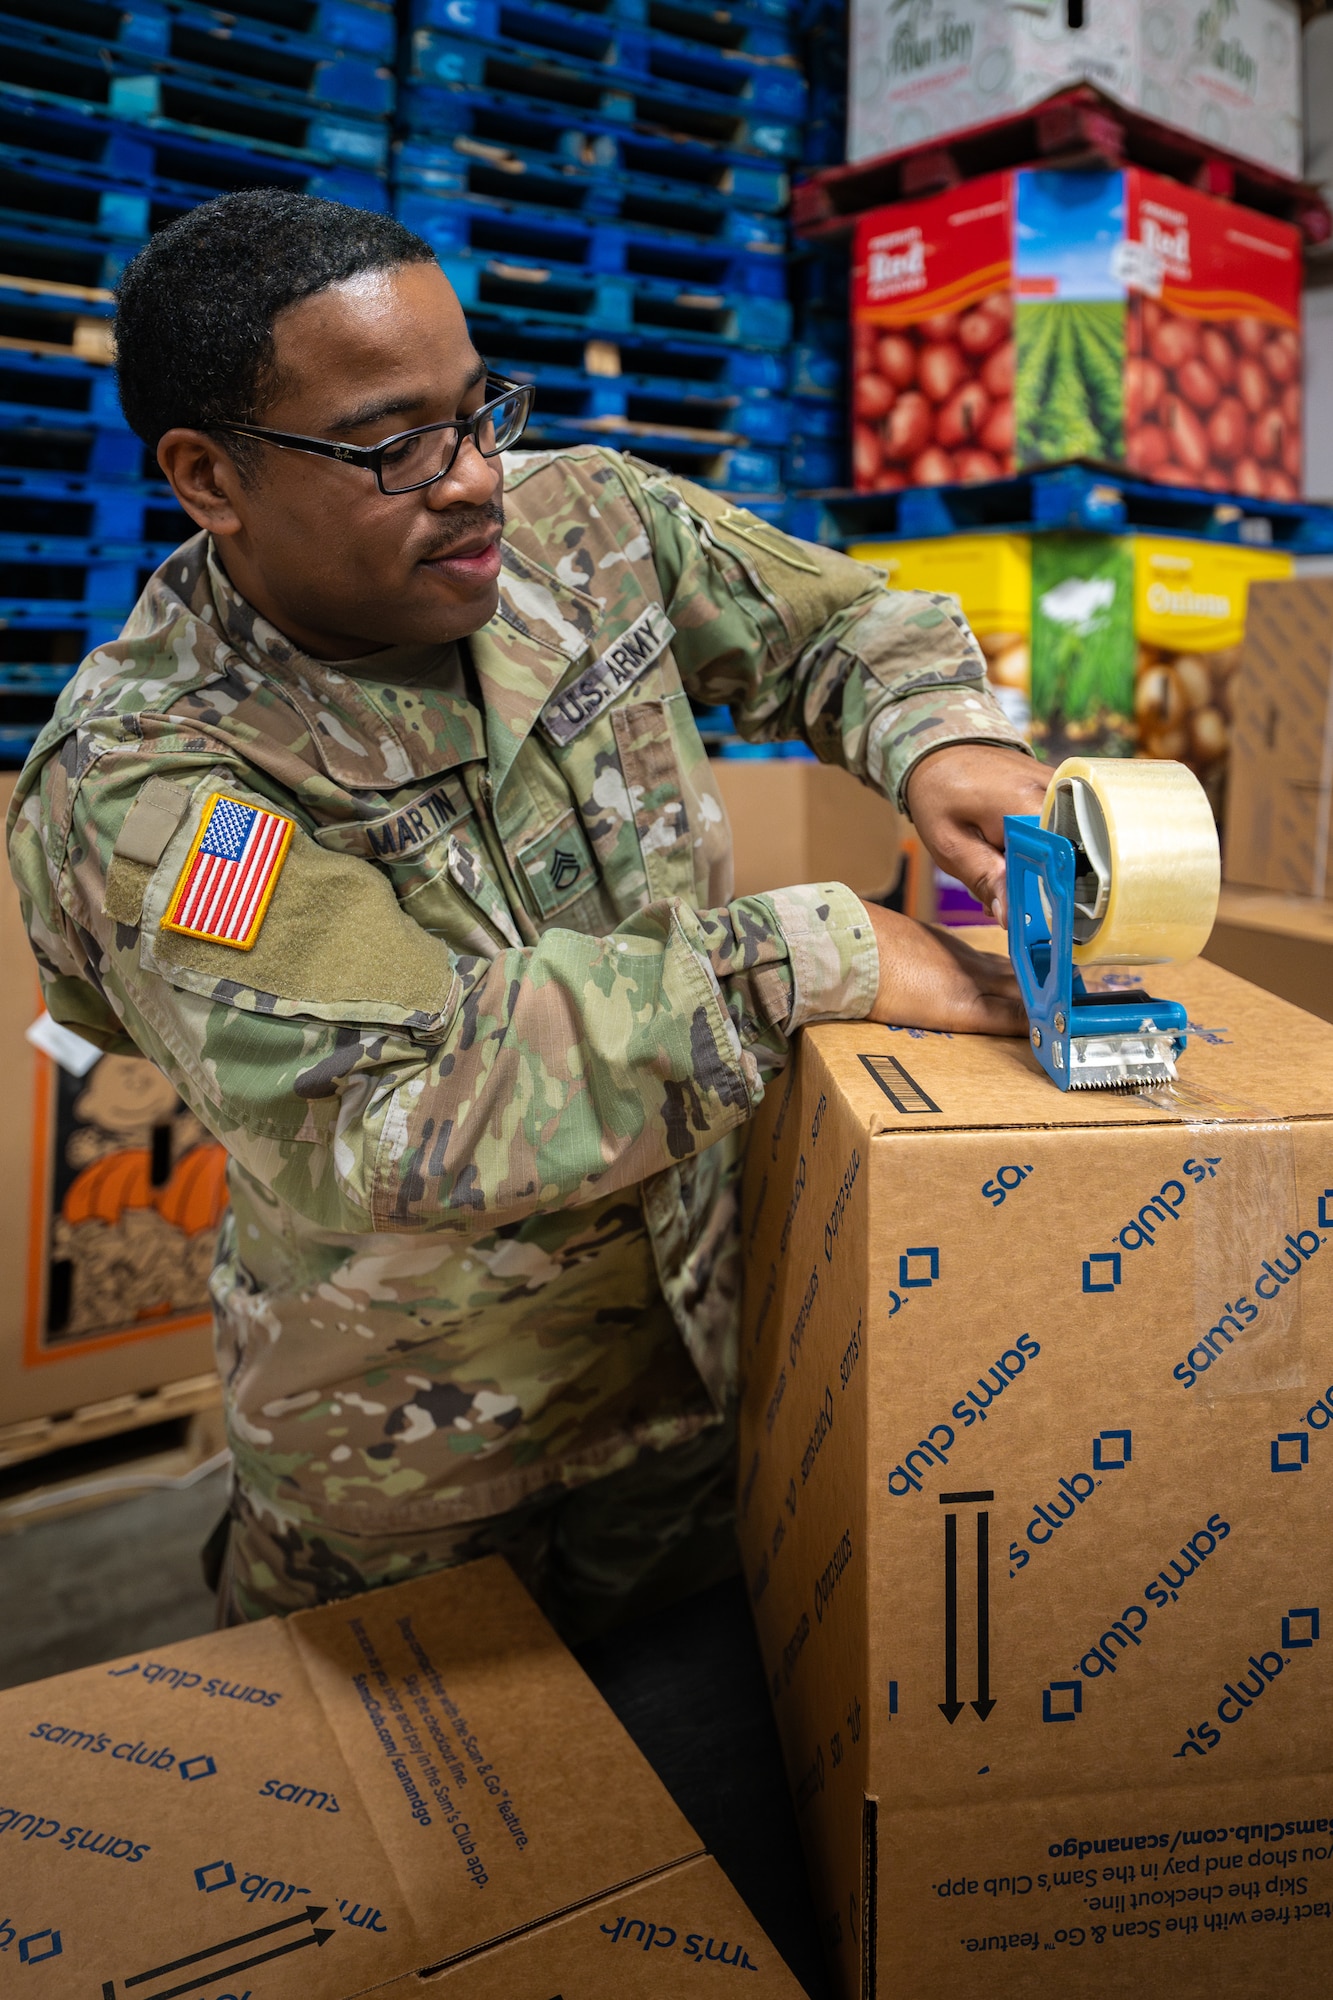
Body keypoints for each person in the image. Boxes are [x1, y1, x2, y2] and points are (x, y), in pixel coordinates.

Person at [7, 192, 1047, 1637]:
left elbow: (835, 623)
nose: (473, 477)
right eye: (390, 444)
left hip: (705, 1375)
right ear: (207, 476)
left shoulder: (587, 527)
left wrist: (940, 739)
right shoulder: (160, 780)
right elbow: (392, 1103)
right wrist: (815, 957)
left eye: (478, 408)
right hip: (424, 1473)